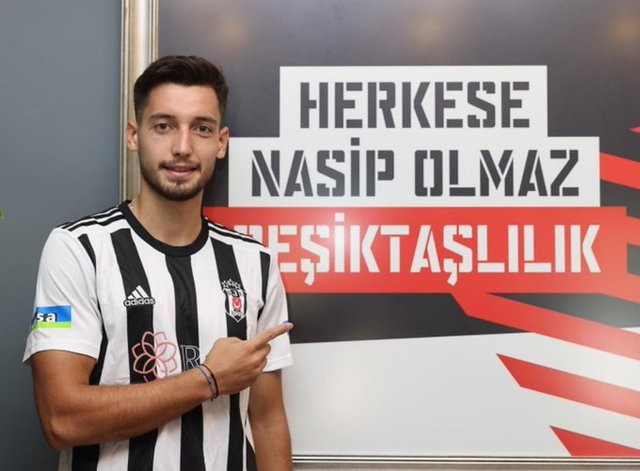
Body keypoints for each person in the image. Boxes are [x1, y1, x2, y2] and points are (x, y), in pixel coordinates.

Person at [23, 55, 294, 471]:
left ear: (221, 142)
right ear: (134, 135)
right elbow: (61, 419)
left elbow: (267, 420)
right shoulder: (78, 249)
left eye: (201, 128)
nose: (182, 147)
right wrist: (208, 379)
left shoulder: (255, 262)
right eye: (164, 126)